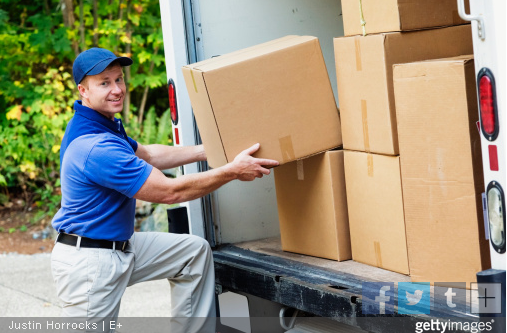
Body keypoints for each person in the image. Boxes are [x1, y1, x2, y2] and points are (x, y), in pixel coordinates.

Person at [50, 47, 279, 331]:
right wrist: (232, 171)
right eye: (104, 83)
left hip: (120, 247)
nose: (117, 89)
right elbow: (171, 193)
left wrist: (210, 151)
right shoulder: (95, 147)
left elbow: (151, 155)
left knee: (192, 253)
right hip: (90, 263)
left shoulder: (101, 125)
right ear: (83, 90)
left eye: (119, 79)